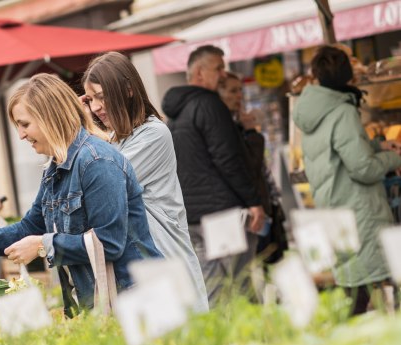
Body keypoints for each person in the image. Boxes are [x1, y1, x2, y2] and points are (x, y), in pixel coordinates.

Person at [0, 73, 162, 313]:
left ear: (49, 117)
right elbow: (30, 227)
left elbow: (109, 243)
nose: (21, 135)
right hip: (101, 304)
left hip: (138, 303)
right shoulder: (55, 168)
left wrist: (42, 245)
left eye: (25, 124)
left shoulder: (97, 162)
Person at [82, 51, 208, 312]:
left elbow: (103, 182)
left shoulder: (153, 134)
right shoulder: (115, 139)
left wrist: (84, 128)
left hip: (167, 261)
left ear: (128, 90)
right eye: (90, 99)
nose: (95, 108)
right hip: (141, 270)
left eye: (102, 97)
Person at [292, 45, 401, 314]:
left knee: (354, 284)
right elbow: (362, 168)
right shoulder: (342, 111)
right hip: (359, 209)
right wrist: (394, 158)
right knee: (371, 281)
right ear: (348, 74)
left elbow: (338, 151)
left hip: (335, 207)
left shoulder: (313, 110)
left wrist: (377, 147)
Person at [161, 45, 265, 302]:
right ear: (199, 72)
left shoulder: (176, 114)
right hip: (221, 214)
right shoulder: (209, 104)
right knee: (241, 288)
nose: (223, 74)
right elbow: (228, 159)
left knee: (214, 291)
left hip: (193, 216)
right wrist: (253, 201)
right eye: (218, 68)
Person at [218, 72, 288, 264]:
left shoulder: (234, 123)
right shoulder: (226, 129)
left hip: (260, 206)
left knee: (269, 262)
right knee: (259, 264)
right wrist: (250, 131)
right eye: (233, 91)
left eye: (240, 90)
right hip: (248, 211)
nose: (239, 95)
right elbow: (251, 166)